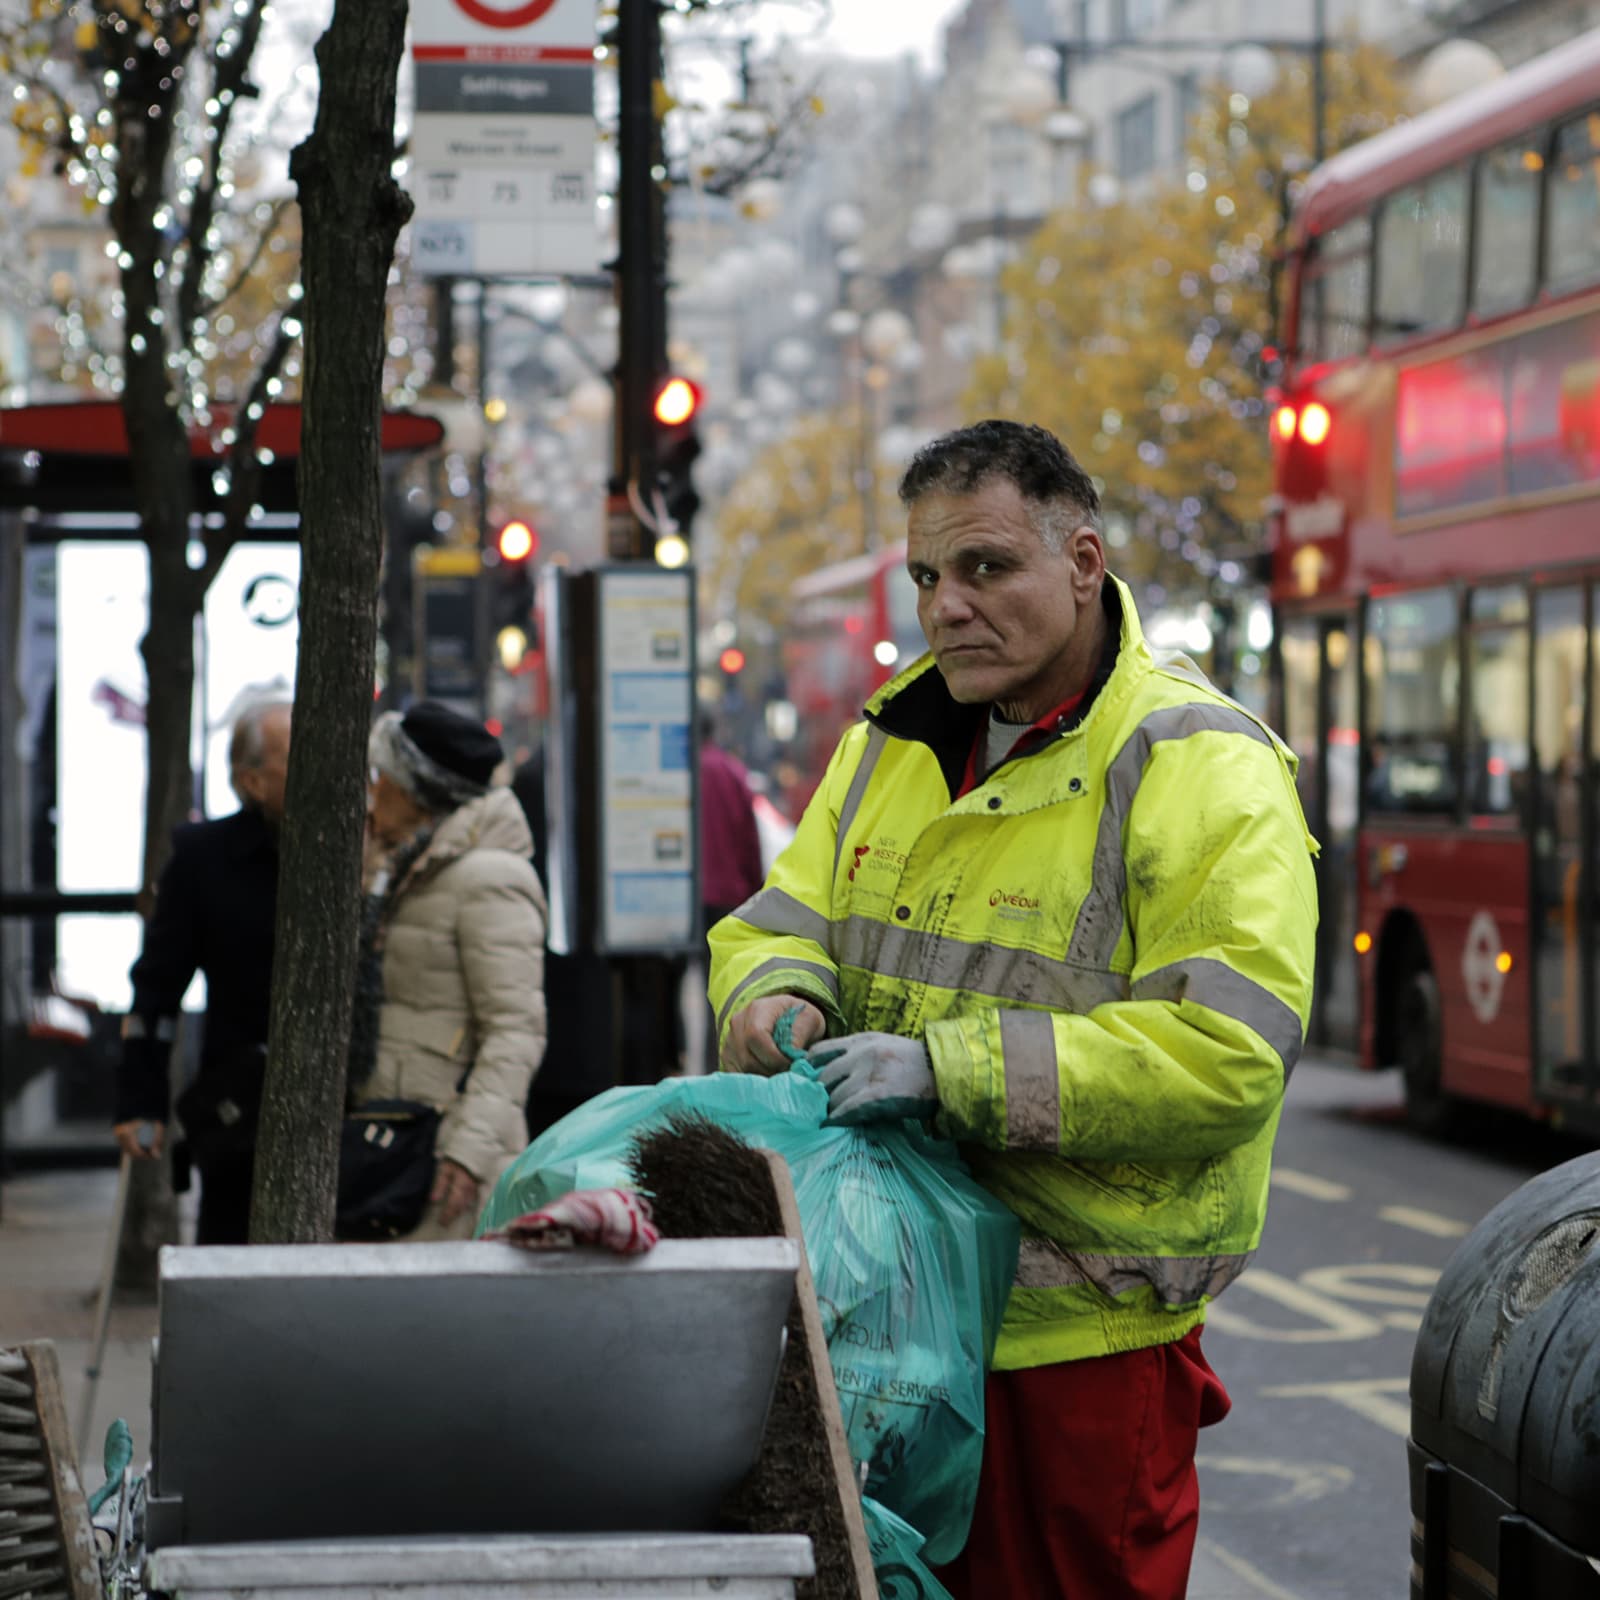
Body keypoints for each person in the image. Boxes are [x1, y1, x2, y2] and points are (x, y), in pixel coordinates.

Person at [710, 421, 1318, 1598]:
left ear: (1083, 562)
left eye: (986, 567)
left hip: (1080, 1356)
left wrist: (948, 1069)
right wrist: (776, 996)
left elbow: (1227, 1055)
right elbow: (779, 920)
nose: (947, 606)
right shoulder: (891, 739)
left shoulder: (1201, 765)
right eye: (928, 576)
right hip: (889, 1327)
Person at [351, 701, 547, 1239]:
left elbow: (515, 1029)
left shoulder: (489, 878)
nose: (371, 794)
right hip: (396, 1137)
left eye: (381, 778)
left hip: (446, 1155)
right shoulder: (406, 864)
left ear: (417, 791)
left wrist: (467, 1153)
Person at [113, 698, 291, 1245]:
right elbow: (157, 988)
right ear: (252, 781)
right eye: (296, 757)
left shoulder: (363, 845)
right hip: (242, 1105)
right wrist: (141, 1102)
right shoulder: (204, 857)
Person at [697, 714, 765, 1070]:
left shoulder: (680, 774)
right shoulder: (732, 772)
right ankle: (715, 1063)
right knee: (719, 989)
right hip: (727, 896)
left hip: (685, 900)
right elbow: (749, 839)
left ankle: (672, 1058)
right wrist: (755, 890)